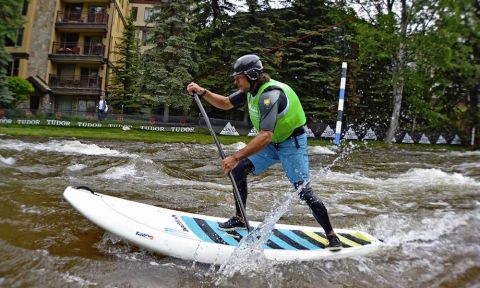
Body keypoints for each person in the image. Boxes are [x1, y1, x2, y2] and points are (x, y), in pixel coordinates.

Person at [186, 54, 342, 250]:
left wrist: (235, 157)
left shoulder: (270, 95)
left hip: (290, 143)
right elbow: (226, 103)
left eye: (238, 77)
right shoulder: (250, 90)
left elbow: (265, 135)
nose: (236, 81)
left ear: (251, 75)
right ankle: (240, 218)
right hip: (271, 143)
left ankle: (331, 234)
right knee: (238, 170)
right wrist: (202, 92)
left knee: (303, 191)